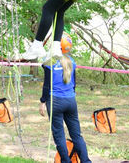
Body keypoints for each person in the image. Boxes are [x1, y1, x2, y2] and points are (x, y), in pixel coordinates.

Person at [39, 35, 91, 163]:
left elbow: (47, 85)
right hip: (71, 101)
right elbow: (74, 84)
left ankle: (66, 161)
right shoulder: (72, 61)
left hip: (55, 101)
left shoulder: (50, 62)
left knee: (59, 135)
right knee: (76, 135)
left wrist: (42, 102)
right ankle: (86, 161)